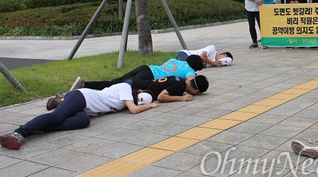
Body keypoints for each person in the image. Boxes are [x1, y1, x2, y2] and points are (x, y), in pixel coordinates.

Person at [0, 82, 160, 150]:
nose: (137, 102)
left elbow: (131, 107)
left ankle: (39, 128)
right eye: (139, 99)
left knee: (83, 121)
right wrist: (151, 105)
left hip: (85, 108)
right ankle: (18, 133)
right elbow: (133, 109)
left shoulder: (123, 102)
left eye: (140, 102)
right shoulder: (126, 87)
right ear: (139, 91)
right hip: (82, 97)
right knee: (56, 118)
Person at [48, 75, 210, 110]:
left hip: (141, 82)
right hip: (137, 87)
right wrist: (182, 99)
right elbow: (162, 97)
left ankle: (69, 95)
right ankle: (82, 87)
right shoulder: (179, 87)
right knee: (109, 89)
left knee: (107, 89)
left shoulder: (179, 78)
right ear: (195, 90)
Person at [68, 55, 203, 93]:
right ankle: (86, 88)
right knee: (117, 87)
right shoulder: (189, 71)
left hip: (146, 68)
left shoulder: (175, 60)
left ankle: (85, 84)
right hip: (148, 78)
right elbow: (191, 82)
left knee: (115, 81)